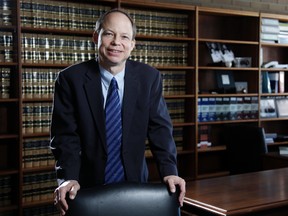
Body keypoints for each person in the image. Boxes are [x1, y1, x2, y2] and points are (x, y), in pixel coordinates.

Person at [50, 8, 186, 215]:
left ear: (132, 44)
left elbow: (160, 129)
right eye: (109, 34)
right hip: (86, 188)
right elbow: (65, 137)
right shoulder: (70, 79)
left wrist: (169, 171)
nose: (116, 42)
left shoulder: (149, 78)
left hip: (136, 186)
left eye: (124, 37)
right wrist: (68, 177)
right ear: (96, 37)